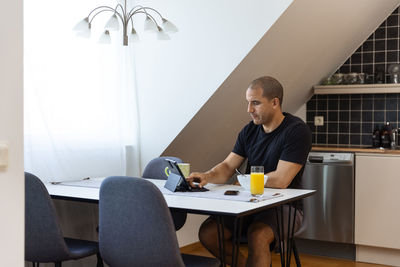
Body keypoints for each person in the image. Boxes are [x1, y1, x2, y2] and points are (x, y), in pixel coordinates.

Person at [187, 76, 312, 267]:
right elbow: (228, 166)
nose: (249, 110)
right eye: (248, 103)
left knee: (258, 235)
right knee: (208, 233)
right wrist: (206, 176)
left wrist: (244, 180)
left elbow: (281, 180)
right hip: (249, 203)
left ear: (275, 102)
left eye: (255, 103)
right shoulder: (249, 131)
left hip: (286, 207)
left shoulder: (297, 131)